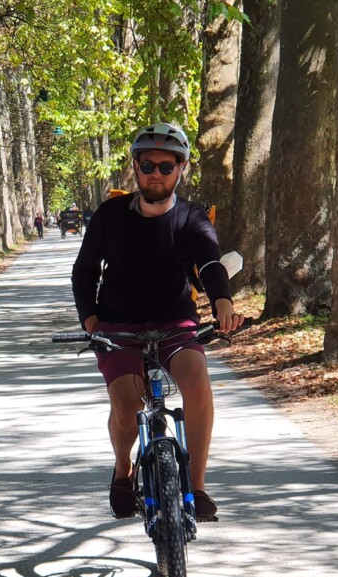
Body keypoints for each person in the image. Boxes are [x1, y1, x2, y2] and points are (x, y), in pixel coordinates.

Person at [70, 122, 243, 520]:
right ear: (135, 166)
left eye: (168, 166)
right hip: (117, 326)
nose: (157, 173)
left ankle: (196, 488)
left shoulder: (192, 216)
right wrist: (91, 321)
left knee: (198, 385)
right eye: (148, 164)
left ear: (181, 169)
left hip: (174, 323)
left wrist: (223, 303)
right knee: (127, 403)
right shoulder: (111, 214)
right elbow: (84, 271)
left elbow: (211, 262)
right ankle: (122, 469)